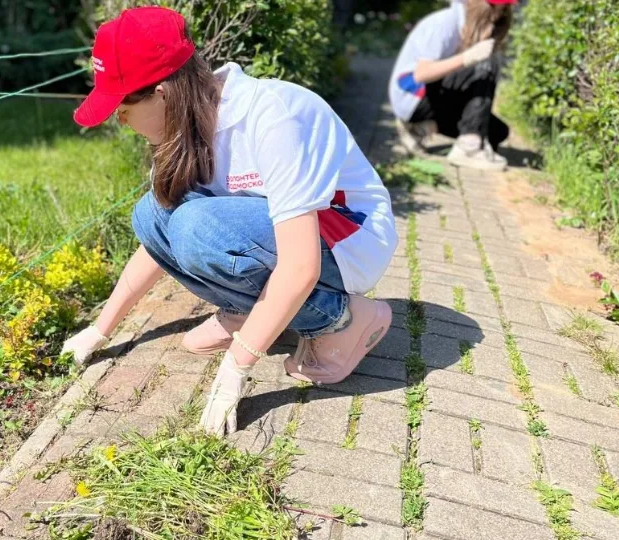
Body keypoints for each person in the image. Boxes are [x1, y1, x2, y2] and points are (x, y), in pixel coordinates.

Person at [61, 6, 397, 436]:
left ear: (162, 93)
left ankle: (345, 320)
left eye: (123, 105)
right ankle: (250, 309)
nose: (118, 118)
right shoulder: (185, 128)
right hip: (276, 234)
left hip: (346, 234)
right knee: (152, 215)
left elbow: (301, 265)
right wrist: (100, 329)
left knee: (195, 227)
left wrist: (238, 365)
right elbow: (156, 243)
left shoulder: (270, 115)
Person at [389, 0, 515, 171]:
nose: (497, 18)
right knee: (486, 63)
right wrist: (467, 58)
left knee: (497, 133)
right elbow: (422, 74)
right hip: (412, 95)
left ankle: (421, 127)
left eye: (502, 13)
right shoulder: (445, 23)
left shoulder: (469, 25)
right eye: (495, 12)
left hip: (434, 94)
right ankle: (468, 147)